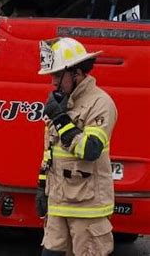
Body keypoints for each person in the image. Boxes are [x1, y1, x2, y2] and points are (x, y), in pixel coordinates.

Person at [36, 37, 117, 256]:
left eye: (57, 75)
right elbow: (50, 151)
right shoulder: (61, 103)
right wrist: (41, 187)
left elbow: (90, 150)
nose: (53, 82)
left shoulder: (100, 103)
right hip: (58, 206)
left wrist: (61, 119)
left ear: (77, 73)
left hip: (88, 212)